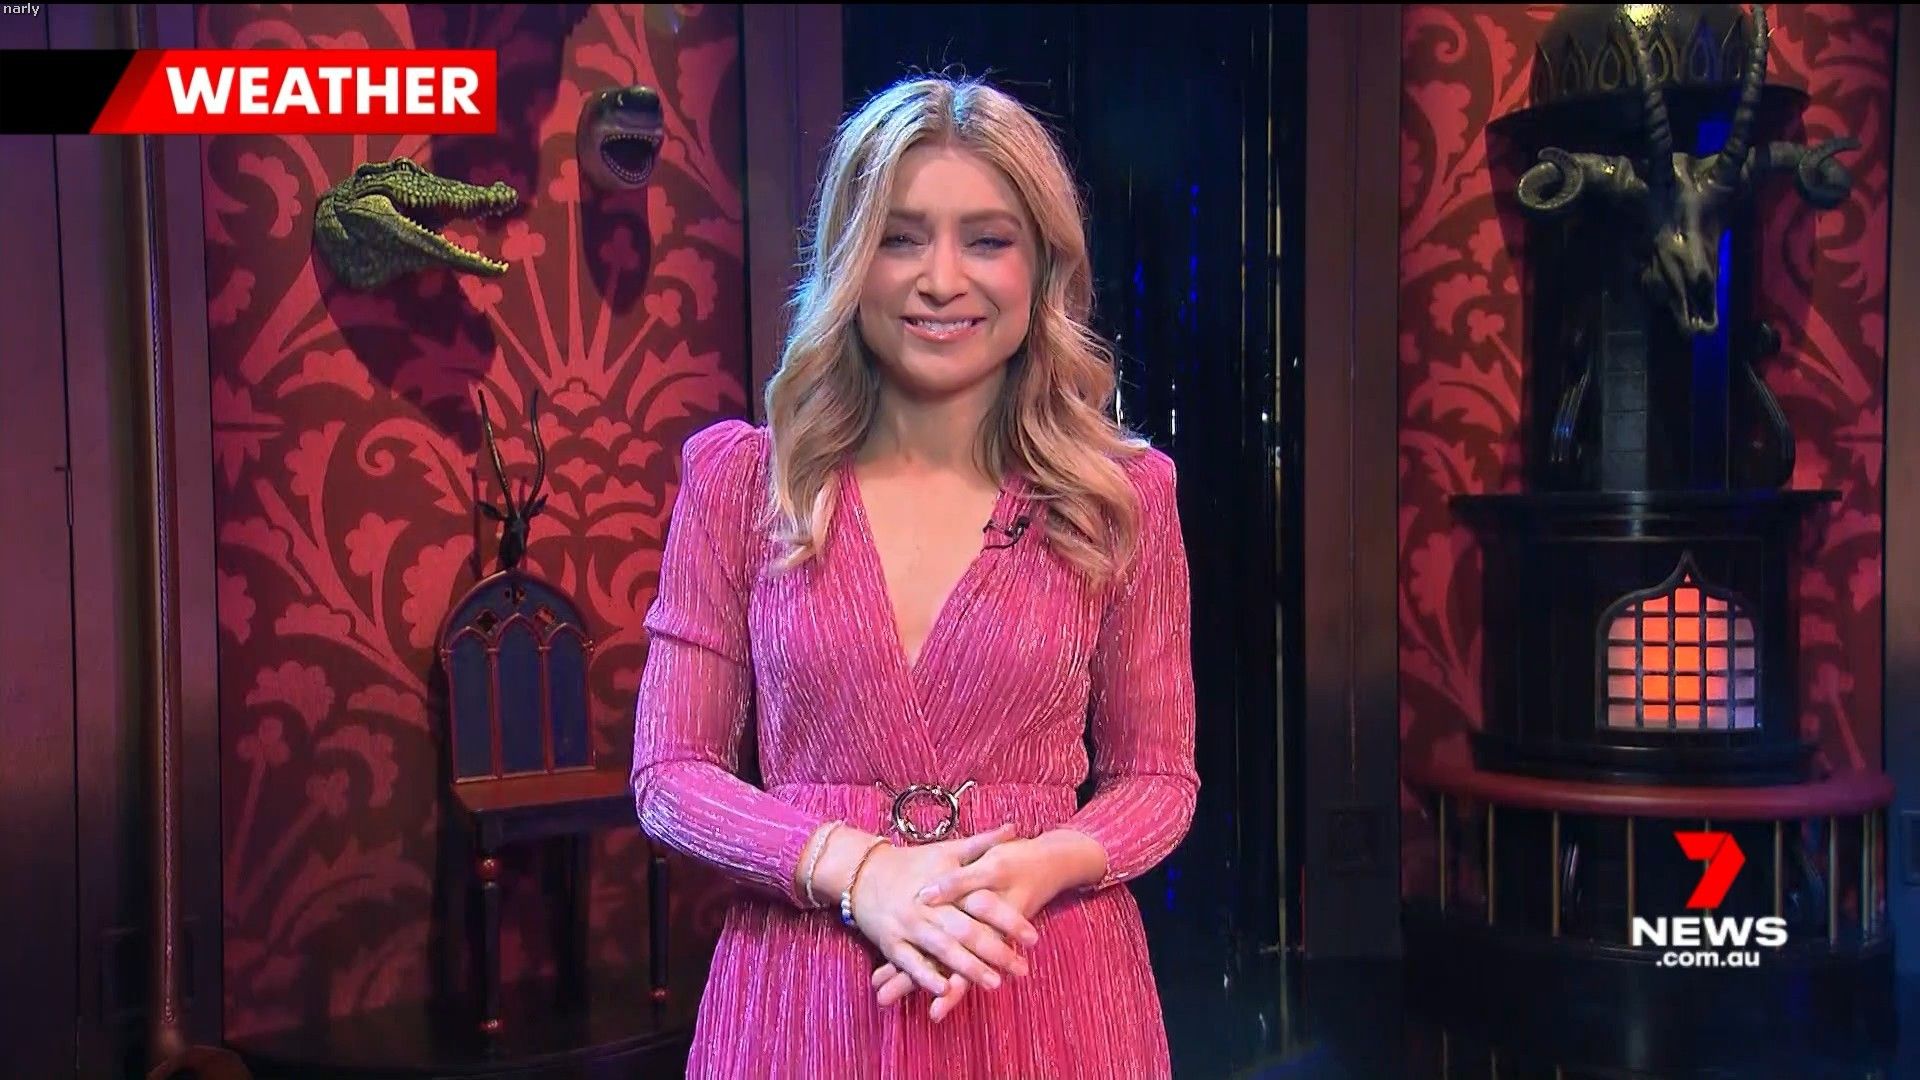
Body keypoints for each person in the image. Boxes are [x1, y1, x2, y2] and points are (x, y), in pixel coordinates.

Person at [630, 72, 1198, 1079]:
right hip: (804, 996)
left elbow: (1158, 781)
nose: (942, 279)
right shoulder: (742, 483)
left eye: (987, 239)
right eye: (900, 238)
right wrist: (859, 871)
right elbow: (669, 776)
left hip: (1043, 982)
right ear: (851, 260)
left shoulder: (1124, 496)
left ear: (1042, 265)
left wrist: (1042, 864)